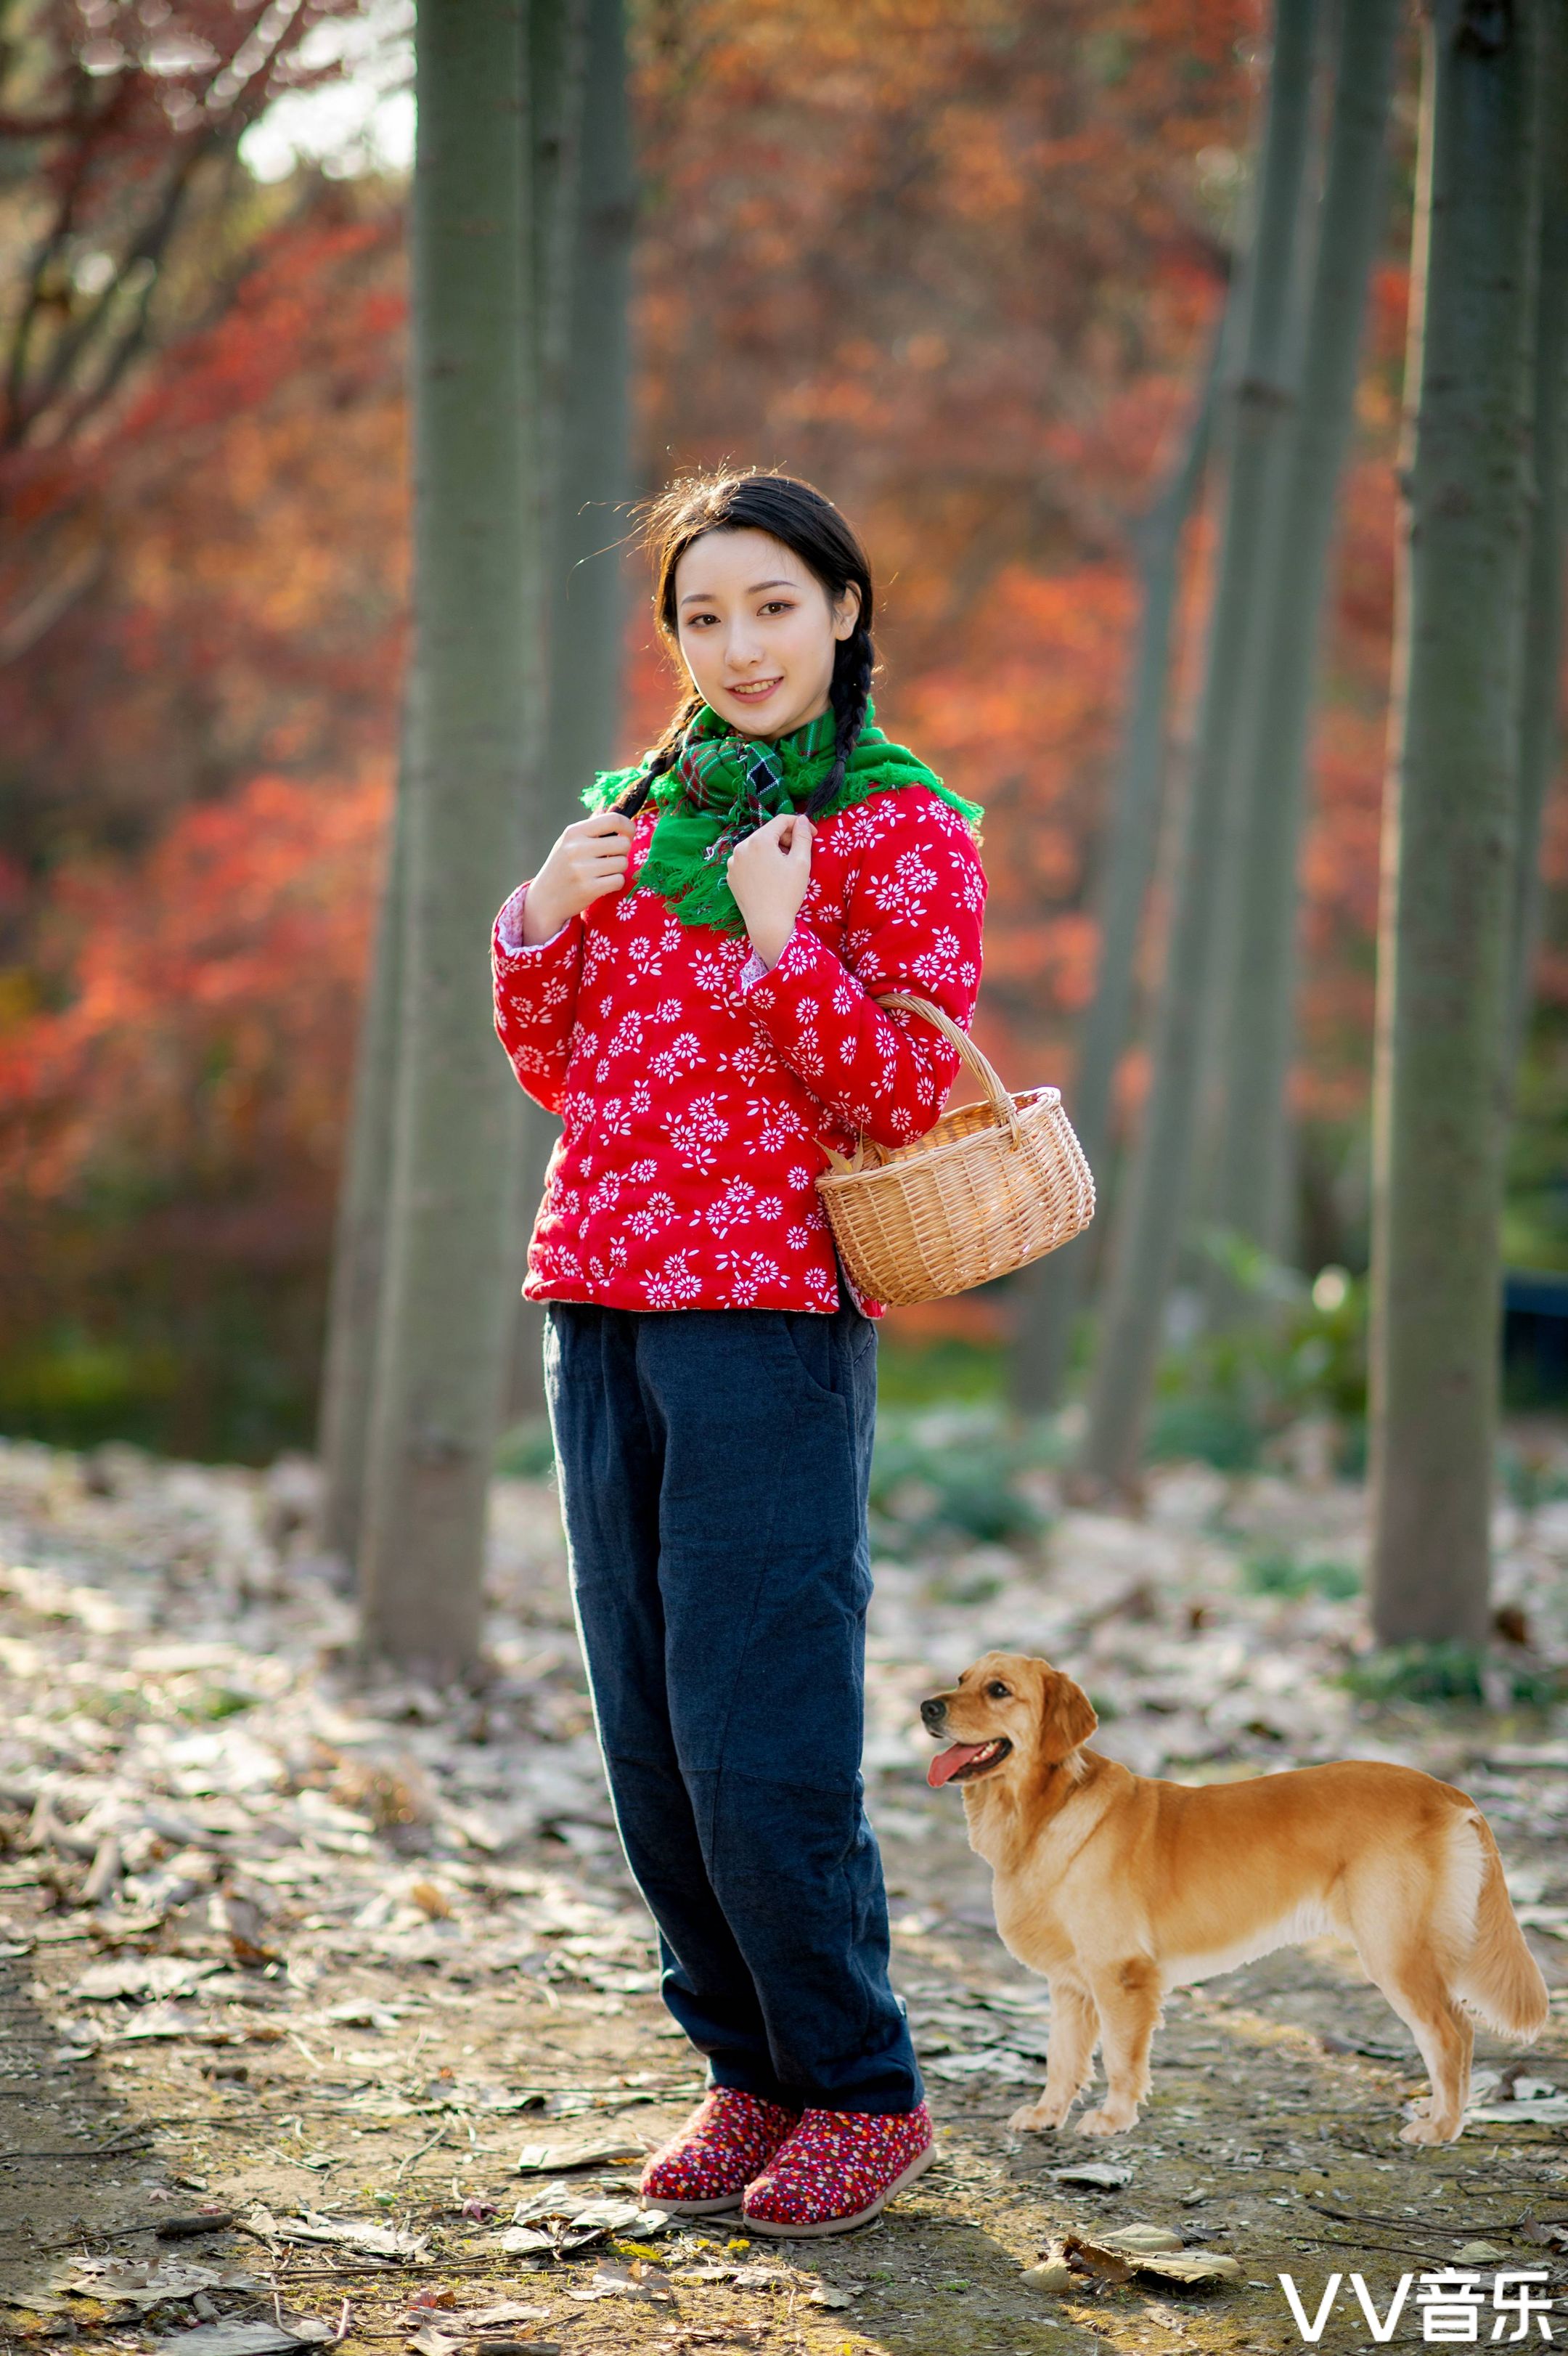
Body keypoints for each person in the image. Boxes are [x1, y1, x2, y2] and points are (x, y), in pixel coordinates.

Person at [491, 468, 987, 2235]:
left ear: (845, 610)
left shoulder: (902, 826)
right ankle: (747, 2065)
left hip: (769, 1317)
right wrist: (543, 912)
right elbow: (564, 1070)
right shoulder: (636, 806)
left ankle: (857, 2083)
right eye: (704, 615)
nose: (739, 644)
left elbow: (897, 1088)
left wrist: (785, 941)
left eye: (774, 604)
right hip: (599, 1294)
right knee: (641, 1723)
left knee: (752, 1724)